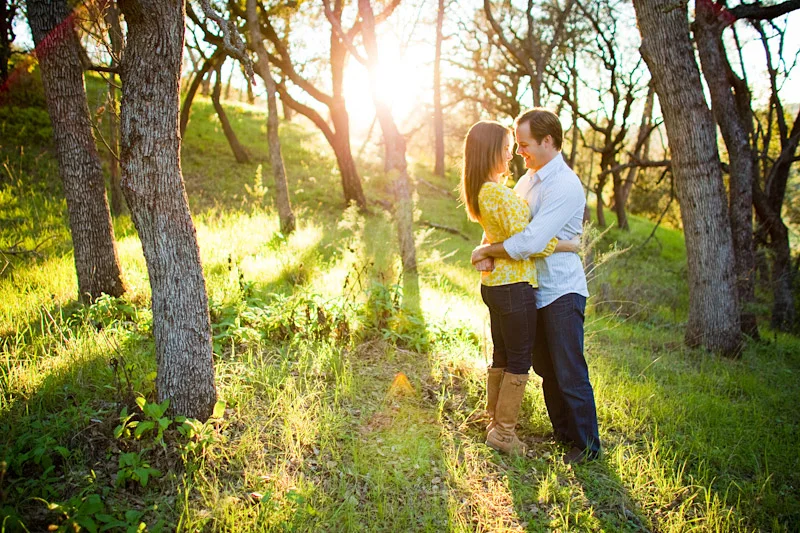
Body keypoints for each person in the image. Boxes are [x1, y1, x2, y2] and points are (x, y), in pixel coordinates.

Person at [471, 109, 601, 464]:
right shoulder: (527, 180)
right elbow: (508, 229)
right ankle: (564, 434)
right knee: (545, 369)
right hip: (529, 287)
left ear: (548, 141)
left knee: (569, 369)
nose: (519, 151)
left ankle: (587, 445)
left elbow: (530, 240)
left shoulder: (564, 185)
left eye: (525, 144)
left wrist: (487, 250)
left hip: (560, 289)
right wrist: (483, 248)